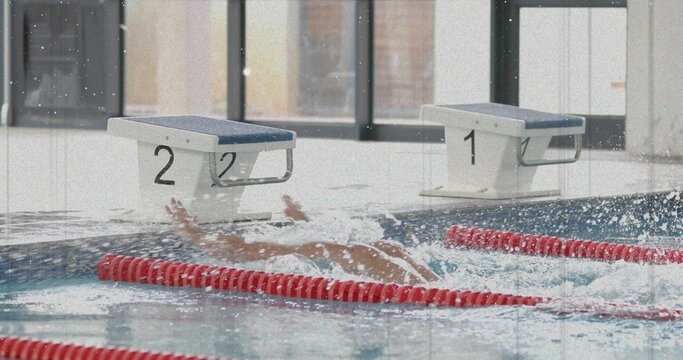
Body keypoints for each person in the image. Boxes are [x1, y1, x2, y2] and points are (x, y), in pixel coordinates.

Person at [165, 196, 440, 285]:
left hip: (427, 303)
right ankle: (199, 237)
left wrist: (194, 237)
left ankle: (195, 236)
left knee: (333, 250)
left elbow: (276, 250)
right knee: (387, 247)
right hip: (437, 294)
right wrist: (305, 222)